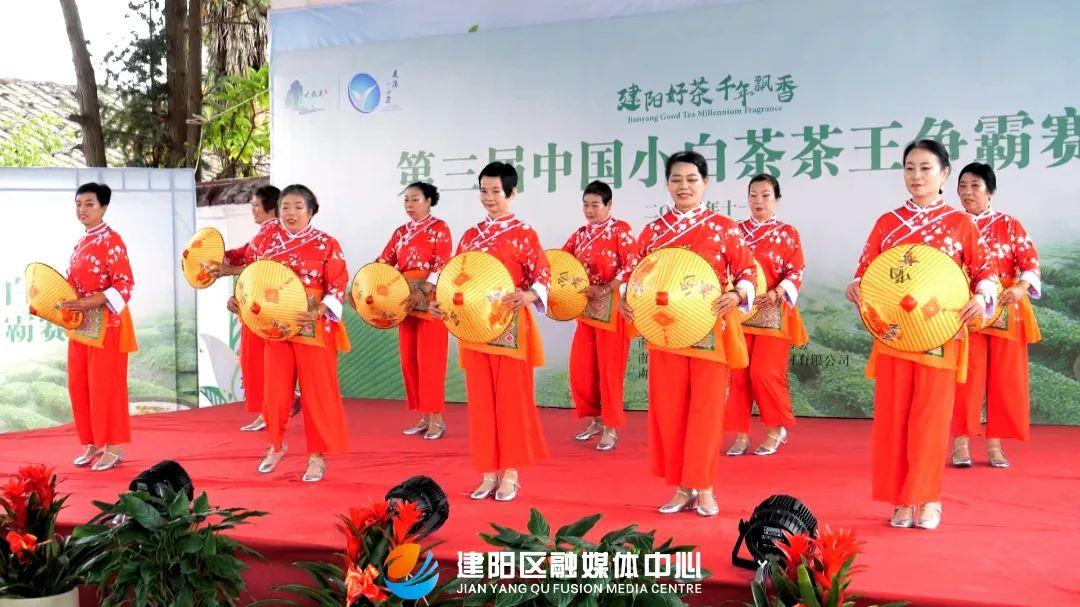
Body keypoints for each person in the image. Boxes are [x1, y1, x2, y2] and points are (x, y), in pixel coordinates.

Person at [845, 140, 997, 530]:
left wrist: (981, 297)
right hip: (895, 334)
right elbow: (866, 270)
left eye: (926, 168)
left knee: (930, 418)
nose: (916, 176)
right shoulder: (887, 222)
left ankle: (927, 497)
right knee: (894, 418)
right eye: (909, 168)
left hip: (939, 333)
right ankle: (901, 499)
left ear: (944, 173)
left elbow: (985, 273)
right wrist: (857, 286)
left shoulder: (961, 223)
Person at [621, 151, 756, 517]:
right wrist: (627, 299)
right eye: (676, 179)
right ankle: (682, 487)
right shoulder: (653, 232)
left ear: (705, 183)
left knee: (706, 414)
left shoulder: (724, 228)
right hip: (665, 333)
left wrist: (737, 294)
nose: (684, 186)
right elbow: (634, 275)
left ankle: (705, 487)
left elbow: (746, 272)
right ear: (667, 184)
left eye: (692, 179)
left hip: (708, 331)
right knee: (670, 412)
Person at [429, 162, 550, 502]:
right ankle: (487, 471)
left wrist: (529, 295)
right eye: (484, 190)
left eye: (496, 191)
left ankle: (510, 472)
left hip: (508, 326)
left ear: (511, 193)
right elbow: (453, 277)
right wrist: (440, 302)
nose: (489, 197)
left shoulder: (524, 233)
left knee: (510, 403)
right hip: (473, 328)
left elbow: (542, 274)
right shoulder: (471, 235)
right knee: (481, 404)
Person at [234, 184, 351, 482]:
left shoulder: (326, 244)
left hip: (313, 324)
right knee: (275, 392)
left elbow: (337, 284)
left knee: (316, 393)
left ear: (311, 212)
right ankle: (275, 444)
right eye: (285, 207)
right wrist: (239, 300)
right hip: (277, 327)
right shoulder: (267, 243)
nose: (291, 213)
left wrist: (319, 310)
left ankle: (316, 457)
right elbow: (252, 279)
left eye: (298, 207)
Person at [950, 162, 1042, 469]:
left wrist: (1021, 288)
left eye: (975, 186)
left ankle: (995, 444)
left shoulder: (1009, 224)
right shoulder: (951, 225)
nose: (968, 192)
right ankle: (961, 441)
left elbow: (1030, 264)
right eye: (963, 186)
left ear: (990, 191)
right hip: (967, 311)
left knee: (1004, 380)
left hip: (1006, 308)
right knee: (966, 377)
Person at [725, 174, 808, 456]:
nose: (758, 201)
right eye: (753, 195)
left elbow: (796, 270)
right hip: (740, 313)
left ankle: (775, 428)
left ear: (777, 200)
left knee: (765, 373)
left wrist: (776, 292)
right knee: (737, 375)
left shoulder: (787, 233)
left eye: (765, 195)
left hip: (773, 311)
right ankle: (740, 434)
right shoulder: (735, 231)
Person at [211, 185, 302, 432]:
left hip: (267, 310)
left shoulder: (276, 233)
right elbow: (243, 255)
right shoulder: (266, 234)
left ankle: (273, 410)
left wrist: (228, 268)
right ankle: (277, 406)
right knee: (258, 362)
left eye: (255, 205)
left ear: (270, 207)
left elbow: (265, 267)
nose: (252, 209)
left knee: (261, 363)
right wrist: (212, 256)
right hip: (259, 308)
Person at [62, 182, 138, 471]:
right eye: (78, 204)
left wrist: (88, 302)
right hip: (82, 324)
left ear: (103, 207)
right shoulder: (81, 241)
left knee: (106, 387)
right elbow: (72, 283)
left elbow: (125, 285)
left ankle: (114, 448)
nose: (82, 209)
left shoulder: (112, 241)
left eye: (89, 204)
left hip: (109, 324)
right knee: (79, 385)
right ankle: (92, 443)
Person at [562, 180, 638, 451]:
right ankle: (595, 420)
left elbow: (632, 265)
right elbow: (562, 262)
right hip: (586, 309)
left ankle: (611, 427)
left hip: (613, 309)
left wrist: (606, 287)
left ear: (609, 205)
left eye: (595, 205)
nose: (589, 210)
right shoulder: (580, 234)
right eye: (586, 205)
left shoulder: (620, 230)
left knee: (609, 370)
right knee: (582, 369)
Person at [377, 182, 452, 440]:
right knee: (410, 360)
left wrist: (425, 289)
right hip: (405, 302)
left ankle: (437, 418)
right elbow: (384, 263)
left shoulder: (439, 228)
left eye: (415, 199)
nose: (409, 205)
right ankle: (424, 415)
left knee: (431, 361)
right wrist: (369, 286)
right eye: (406, 200)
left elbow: (442, 263)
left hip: (431, 301)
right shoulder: (400, 233)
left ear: (429, 201)